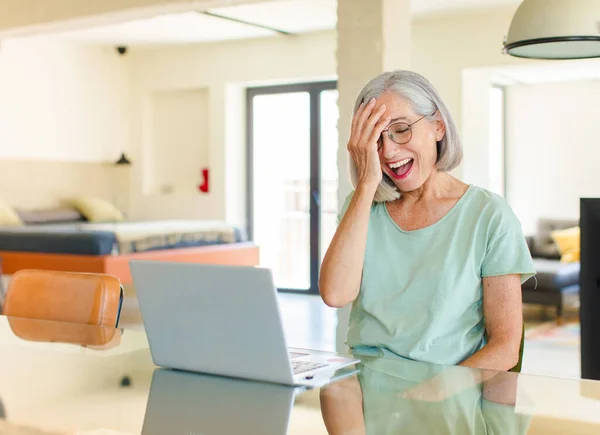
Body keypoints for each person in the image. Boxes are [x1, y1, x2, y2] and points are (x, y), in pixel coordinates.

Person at [319, 70, 536, 371]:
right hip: (367, 390)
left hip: (447, 395)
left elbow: (505, 348)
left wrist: (434, 395)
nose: (389, 151)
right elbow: (335, 294)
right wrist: (367, 184)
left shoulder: (489, 215)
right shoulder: (362, 207)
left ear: (437, 126)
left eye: (400, 129)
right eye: (375, 140)